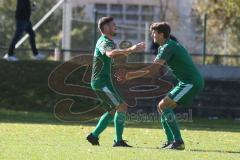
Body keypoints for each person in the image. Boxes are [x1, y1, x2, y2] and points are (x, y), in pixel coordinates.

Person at [116, 22, 204, 150]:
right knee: (161, 107)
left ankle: (178, 141)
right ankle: (170, 141)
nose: (152, 35)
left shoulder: (169, 46)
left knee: (163, 106)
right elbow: (154, 69)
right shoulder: (164, 47)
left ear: (161, 34)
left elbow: (153, 70)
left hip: (191, 83)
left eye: (154, 32)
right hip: (186, 82)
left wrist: (129, 75)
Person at [86, 16, 145, 147]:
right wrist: (131, 49)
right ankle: (118, 141)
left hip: (102, 82)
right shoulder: (105, 41)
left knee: (113, 110)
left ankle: (94, 136)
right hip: (101, 83)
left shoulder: (106, 41)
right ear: (105, 27)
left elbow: (112, 57)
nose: (115, 26)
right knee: (122, 106)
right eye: (113, 25)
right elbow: (110, 53)